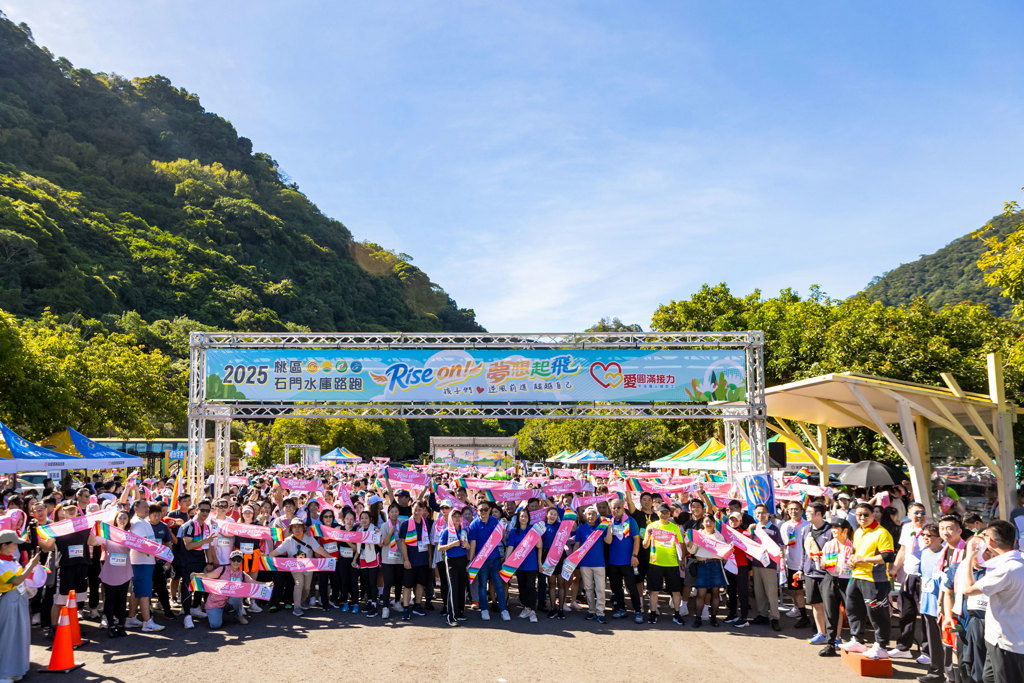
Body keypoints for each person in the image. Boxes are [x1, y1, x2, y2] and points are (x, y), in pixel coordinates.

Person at [961, 520, 1024, 683]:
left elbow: (968, 590)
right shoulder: (1017, 563)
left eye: (984, 536)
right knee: (988, 678)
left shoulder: (1006, 569)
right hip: (1001, 638)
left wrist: (969, 557)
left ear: (990, 541)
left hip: (1007, 642)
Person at [840, 502, 896, 660]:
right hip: (856, 576)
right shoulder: (857, 532)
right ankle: (857, 639)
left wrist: (863, 559)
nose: (862, 517)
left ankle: (881, 646)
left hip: (875, 579)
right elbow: (856, 553)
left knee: (877, 614)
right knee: (852, 609)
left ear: (873, 515)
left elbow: (888, 556)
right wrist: (852, 560)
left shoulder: (882, 532)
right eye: (859, 515)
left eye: (866, 514)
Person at [37, 503, 92, 633]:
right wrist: (35, 537)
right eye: (67, 510)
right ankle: (54, 629)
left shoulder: (84, 526)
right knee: (60, 599)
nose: (71, 512)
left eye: (73, 509)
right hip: (65, 567)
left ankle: (73, 628)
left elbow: (93, 542)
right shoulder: (58, 528)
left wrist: (97, 528)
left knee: (75, 600)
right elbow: (47, 546)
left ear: (78, 511)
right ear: (63, 512)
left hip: (81, 566)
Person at [268, 517, 332, 617]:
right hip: (295, 568)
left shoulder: (309, 539)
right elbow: (277, 551)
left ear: (303, 528)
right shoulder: (288, 541)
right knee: (299, 583)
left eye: (299, 526)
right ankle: (296, 607)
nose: (297, 529)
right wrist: (266, 558)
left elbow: (318, 549)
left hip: (309, 567)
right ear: (291, 529)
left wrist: (329, 557)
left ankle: (301, 601)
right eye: (294, 527)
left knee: (306, 587)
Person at [0, 528, 40, 683]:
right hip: (9, 602)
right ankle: (4, 673)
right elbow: (16, 581)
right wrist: (31, 564)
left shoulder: (10, 560)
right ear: (4, 545)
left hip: (20, 600)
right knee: (8, 637)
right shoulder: (1, 563)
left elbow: (20, 578)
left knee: (19, 635)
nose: (16, 547)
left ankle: (16, 668)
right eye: (14, 544)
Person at [891, 501, 929, 660]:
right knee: (907, 612)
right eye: (916, 512)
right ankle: (903, 647)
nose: (919, 516)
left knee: (927, 615)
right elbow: (903, 549)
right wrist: (894, 568)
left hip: (927, 576)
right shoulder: (906, 528)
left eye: (922, 512)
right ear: (909, 514)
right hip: (910, 574)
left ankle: (928, 651)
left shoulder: (930, 530)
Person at [88, 510, 134, 637]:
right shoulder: (108, 533)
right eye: (120, 518)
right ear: (116, 519)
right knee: (110, 599)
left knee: (121, 600)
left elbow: (140, 547)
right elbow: (91, 542)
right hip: (110, 571)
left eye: (125, 518)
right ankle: (111, 625)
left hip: (124, 571)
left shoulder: (130, 534)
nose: (122, 520)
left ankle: (121, 625)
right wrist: (94, 529)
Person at [177, 499, 217, 629]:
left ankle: (195, 608)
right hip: (187, 561)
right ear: (196, 510)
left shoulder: (206, 526)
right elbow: (188, 545)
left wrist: (210, 562)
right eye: (203, 510)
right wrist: (205, 540)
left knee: (200, 586)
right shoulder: (189, 525)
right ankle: (187, 616)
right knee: (188, 588)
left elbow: (208, 546)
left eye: (208, 510)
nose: (205, 513)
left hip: (201, 560)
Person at [126, 499, 165, 632]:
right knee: (144, 593)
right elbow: (142, 545)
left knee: (137, 591)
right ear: (135, 508)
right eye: (144, 507)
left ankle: (131, 618)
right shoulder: (136, 523)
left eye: (147, 507)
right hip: (141, 562)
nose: (147, 509)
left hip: (145, 561)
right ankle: (147, 622)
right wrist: (157, 552)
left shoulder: (142, 522)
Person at [468, 500, 510, 621]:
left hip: (495, 558)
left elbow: (499, 537)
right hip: (481, 560)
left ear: (489, 510)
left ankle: (504, 609)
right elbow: (473, 543)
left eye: (486, 509)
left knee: (498, 585)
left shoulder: (494, 521)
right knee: (482, 585)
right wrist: (471, 560)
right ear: (477, 511)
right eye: (481, 510)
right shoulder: (474, 524)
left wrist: (504, 527)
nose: (484, 512)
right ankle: (484, 609)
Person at [643, 503, 684, 624]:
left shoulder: (674, 527)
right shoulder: (652, 526)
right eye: (662, 512)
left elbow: (681, 545)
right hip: (656, 563)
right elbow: (645, 545)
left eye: (667, 512)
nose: (664, 514)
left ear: (670, 514)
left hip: (672, 564)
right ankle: (653, 613)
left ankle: (677, 614)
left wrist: (681, 561)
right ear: (658, 513)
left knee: (676, 591)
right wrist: (649, 534)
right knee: (654, 591)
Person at [798, 501, 833, 645]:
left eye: (809, 512)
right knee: (816, 604)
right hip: (810, 572)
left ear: (818, 514)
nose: (806, 514)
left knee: (830, 606)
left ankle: (834, 636)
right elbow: (803, 553)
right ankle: (821, 633)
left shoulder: (831, 530)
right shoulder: (806, 530)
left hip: (826, 574)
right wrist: (801, 569)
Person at [819, 517, 854, 657]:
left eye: (836, 528)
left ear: (845, 530)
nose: (833, 530)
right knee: (830, 612)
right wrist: (820, 561)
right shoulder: (828, 544)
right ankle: (830, 644)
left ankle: (857, 640)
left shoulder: (853, 546)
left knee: (852, 612)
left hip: (848, 581)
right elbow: (822, 563)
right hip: (830, 578)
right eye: (832, 527)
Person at [605, 498, 643, 624]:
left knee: (632, 586)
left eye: (618, 507)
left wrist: (634, 555)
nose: (616, 510)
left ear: (623, 508)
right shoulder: (608, 522)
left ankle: (638, 610)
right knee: (616, 588)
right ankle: (621, 609)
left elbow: (637, 540)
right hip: (613, 561)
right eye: (613, 508)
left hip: (628, 561)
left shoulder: (630, 521)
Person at [686, 513, 727, 628]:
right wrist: (690, 543)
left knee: (715, 593)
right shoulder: (699, 535)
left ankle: (713, 618)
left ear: (714, 523)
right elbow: (693, 551)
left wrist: (729, 549)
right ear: (703, 523)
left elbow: (724, 552)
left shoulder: (719, 536)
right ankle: (698, 618)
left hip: (715, 565)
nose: (708, 524)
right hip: (702, 565)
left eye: (711, 521)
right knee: (701, 593)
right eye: (706, 521)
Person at [916, 524, 946, 683]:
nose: (926, 538)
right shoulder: (924, 554)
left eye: (930, 535)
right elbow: (923, 578)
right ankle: (936, 672)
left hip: (941, 605)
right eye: (924, 535)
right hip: (927, 604)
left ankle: (950, 673)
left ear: (939, 538)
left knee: (945, 642)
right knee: (932, 641)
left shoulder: (945, 553)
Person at [749, 503, 783, 632]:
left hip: (770, 565)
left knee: (771, 592)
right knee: (759, 591)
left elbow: (780, 546)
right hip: (756, 563)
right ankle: (762, 614)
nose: (760, 515)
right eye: (758, 513)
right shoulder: (754, 528)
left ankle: (775, 617)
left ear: (768, 514)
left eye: (763, 513)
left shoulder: (774, 529)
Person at [505, 508, 542, 623]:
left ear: (528, 518)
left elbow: (539, 546)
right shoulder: (513, 532)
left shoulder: (533, 530)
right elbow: (510, 547)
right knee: (522, 587)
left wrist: (538, 534)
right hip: (519, 565)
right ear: (518, 518)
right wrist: (506, 563)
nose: (523, 518)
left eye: (525, 516)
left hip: (531, 565)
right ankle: (526, 608)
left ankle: (532, 611)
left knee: (531, 587)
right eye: (521, 516)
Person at [200, 550, 255, 628]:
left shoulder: (242, 574)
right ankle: (219, 614)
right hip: (215, 602)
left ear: (241, 561)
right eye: (233, 560)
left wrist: (266, 584)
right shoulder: (222, 569)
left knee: (237, 596)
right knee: (215, 625)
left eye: (238, 560)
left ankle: (238, 614)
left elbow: (252, 581)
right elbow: (207, 576)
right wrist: (195, 574)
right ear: (230, 560)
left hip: (229, 601)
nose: (236, 562)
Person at [399, 500, 432, 621]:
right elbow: (402, 543)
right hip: (411, 561)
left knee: (420, 584)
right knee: (407, 586)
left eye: (420, 509)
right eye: (415, 509)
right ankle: (406, 608)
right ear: (411, 509)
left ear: (424, 510)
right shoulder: (406, 524)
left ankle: (417, 606)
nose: (417, 511)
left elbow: (428, 542)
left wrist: (429, 557)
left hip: (423, 560)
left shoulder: (426, 523)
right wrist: (406, 560)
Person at [781, 500, 811, 628]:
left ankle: (805, 616)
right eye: (791, 509)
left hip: (807, 564)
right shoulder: (785, 526)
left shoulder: (808, 525)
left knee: (804, 592)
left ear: (802, 511)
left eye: (796, 509)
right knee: (795, 590)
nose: (793, 511)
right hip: (792, 563)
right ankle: (798, 609)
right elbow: (783, 545)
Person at [437, 506, 468, 626]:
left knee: (462, 586)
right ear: (450, 518)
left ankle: (459, 612)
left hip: (463, 560)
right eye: (454, 516)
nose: (456, 518)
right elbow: (440, 548)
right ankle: (451, 616)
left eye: (458, 516)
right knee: (453, 587)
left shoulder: (463, 530)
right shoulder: (446, 531)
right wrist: (451, 544)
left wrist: (467, 545)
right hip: (451, 561)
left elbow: (469, 546)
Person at [723, 511, 750, 628]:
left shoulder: (744, 534)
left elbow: (748, 549)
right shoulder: (725, 534)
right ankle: (732, 613)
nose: (733, 522)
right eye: (731, 520)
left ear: (740, 522)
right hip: (729, 565)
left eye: (736, 520)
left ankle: (744, 618)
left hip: (741, 565)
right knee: (731, 591)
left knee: (742, 592)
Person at [379, 503, 405, 618]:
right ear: (388, 513)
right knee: (388, 583)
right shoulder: (384, 526)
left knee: (399, 582)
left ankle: (397, 602)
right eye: (392, 511)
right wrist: (390, 532)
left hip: (399, 559)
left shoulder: (402, 525)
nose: (394, 514)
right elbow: (384, 543)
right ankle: (385, 607)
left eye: (396, 511)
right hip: (387, 559)